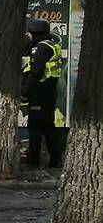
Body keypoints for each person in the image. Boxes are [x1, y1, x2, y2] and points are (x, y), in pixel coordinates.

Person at [21, 19, 63, 168]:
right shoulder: (52, 45)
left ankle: (33, 161)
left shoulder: (40, 48)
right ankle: (56, 159)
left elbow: (36, 72)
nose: (28, 35)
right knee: (48, 126)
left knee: (34, 128)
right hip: (49, 91)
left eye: (30, 33)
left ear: (35, 33)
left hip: (39, 91)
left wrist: (25, 90)